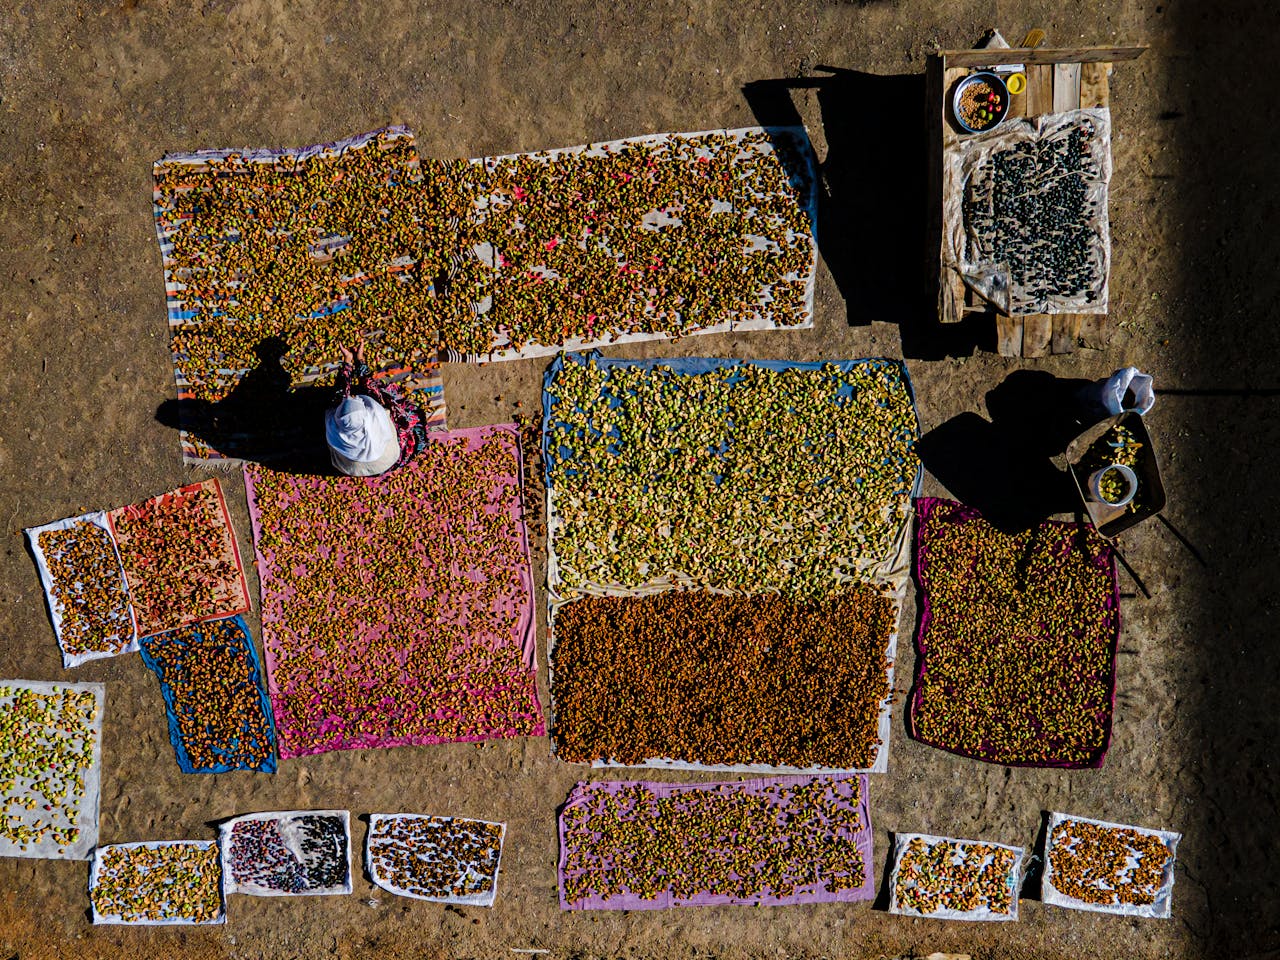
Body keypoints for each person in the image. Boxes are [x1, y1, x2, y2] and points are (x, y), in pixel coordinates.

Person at [324, 340, 427, 477]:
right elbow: (372, 389)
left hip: (353, 468)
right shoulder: (377, 414)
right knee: (392, 404)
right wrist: (360, 360)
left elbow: (339, 394)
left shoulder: (333, 429)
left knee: (336, 400)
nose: (354, 396)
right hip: (388, 460)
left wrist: (347, 360)